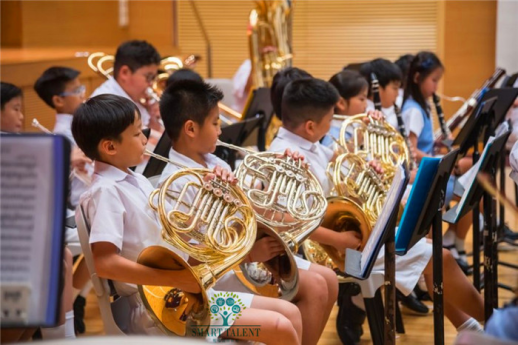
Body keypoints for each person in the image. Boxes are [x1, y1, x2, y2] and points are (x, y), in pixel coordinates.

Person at [72, 94, 303, 344]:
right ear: (110, 147)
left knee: (290, 313)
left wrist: (212, 198)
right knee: (279, 327)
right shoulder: (105, 191)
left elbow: (173, 238)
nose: (145, 139)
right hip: (160, 312)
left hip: (183, 296)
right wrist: (174, 278)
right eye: (138, 134)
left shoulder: (135, 180)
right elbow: (105, 262)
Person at [270, 77, 485, 339]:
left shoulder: (308, 144)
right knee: (440, 257)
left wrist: (365, 148)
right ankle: (493, 323)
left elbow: (341, 159)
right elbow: (286, 220)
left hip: (344, 241)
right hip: (331, 253)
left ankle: (473, 327)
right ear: (311, 125)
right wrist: (339, 239)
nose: (332, 127)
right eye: (329, 121)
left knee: (434, 253)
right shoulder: (283, 156)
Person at [158, 79, 337, 345]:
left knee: (329, 281)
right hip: (213, 283)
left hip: (239, 263)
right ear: (191, 128)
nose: (221, 131)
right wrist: (251, 255)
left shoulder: (214, 162)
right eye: (216, 123)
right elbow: (189, 261)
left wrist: (284, 172)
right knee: (313, 289)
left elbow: (248, 215)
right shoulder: (176, 185)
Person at [90, 40, 161, 131]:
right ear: (125, 73)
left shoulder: (135, 97)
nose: (151, 84)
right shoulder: (105, 106)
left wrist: (152, 116)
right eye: (148, 77)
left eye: (153, 78)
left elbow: (154, 134)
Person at [359, 58, 402, 129]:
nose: (397, 94)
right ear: (377, 88)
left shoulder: (391, 110)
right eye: (395, 88)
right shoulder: (363, 113)